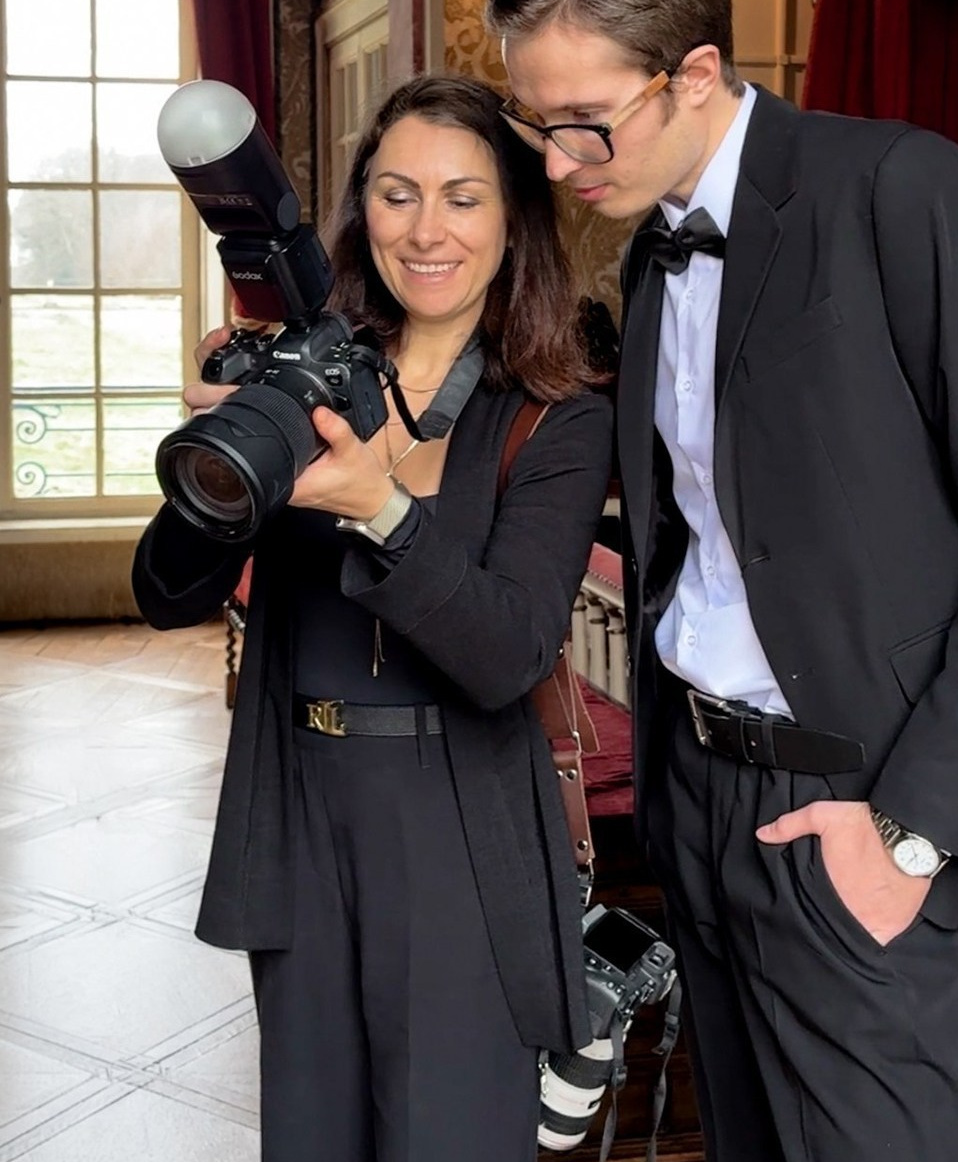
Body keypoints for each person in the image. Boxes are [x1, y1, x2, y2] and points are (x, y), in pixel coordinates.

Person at [484, 0, 958, 1162]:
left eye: (583, 124)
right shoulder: (651, 249)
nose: (557, 164)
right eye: (533, 123)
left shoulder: (900, 191)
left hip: (859, 807)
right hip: (702, 800)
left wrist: (909, 833)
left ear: (698, 72)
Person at [132, 75, 612, 1162]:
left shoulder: (554, 412)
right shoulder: (304, 372)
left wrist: (381, 509)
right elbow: (165, 597)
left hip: (457, 830)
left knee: (447, 1139)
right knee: (309, 1137)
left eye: (463, 196)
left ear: (514, 218)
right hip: (299, 814)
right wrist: (225, 460)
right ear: (359, 214)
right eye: (397, 195)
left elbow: (506, 653)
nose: (426, 229)